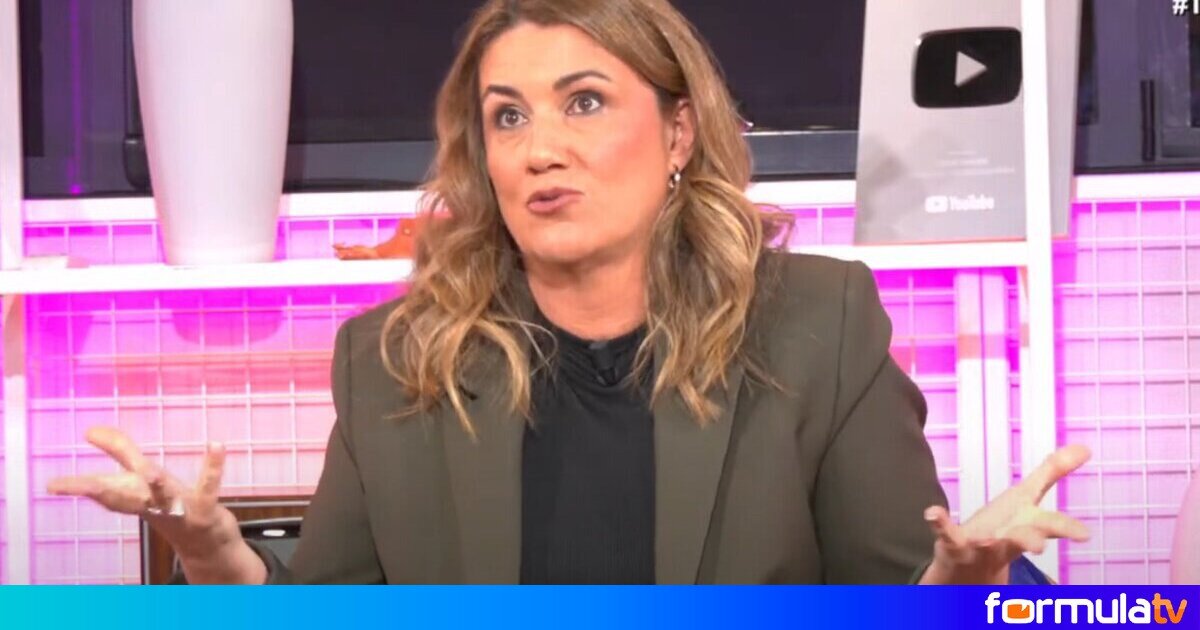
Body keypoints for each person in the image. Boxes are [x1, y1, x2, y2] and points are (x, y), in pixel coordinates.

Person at [47, 0, 1090, 584]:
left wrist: (963, 585)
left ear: (678, 133)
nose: (539, 147)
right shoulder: (396, 359)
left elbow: (916, 600)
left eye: (583, 102)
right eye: (507, 116)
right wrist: (218, 557)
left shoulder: (820, 325)